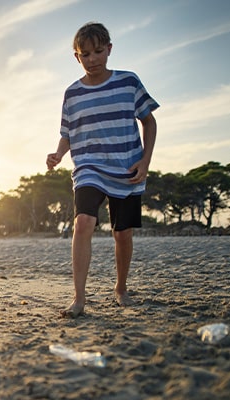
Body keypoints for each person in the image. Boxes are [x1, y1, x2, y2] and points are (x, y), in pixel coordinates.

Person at [46, 22, 158, 318]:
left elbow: (149, 121)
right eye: (86, 54)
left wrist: (145, 161)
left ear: (109, 49)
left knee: (122, 234)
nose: (93, 59)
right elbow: (67, 134)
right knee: (83, 222)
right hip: (88, 168)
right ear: (76, 57)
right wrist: (58, 154)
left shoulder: (128, 82)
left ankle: (120, 288)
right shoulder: (72, 94)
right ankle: (79, 298)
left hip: (127, 167)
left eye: (98, 52)